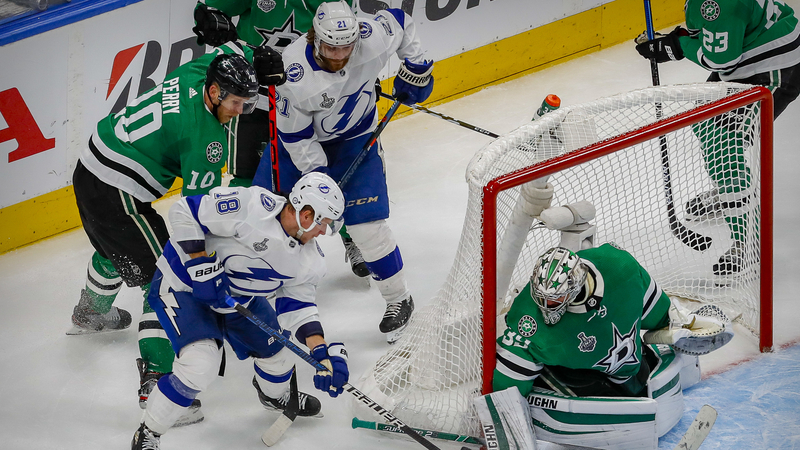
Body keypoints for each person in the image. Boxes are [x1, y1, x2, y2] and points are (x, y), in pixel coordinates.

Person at [70, 46, 284, 423]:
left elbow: (230, 50)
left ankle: (91, 312)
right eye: (237, 103)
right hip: (117, 192)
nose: (240, 112)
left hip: (91, 166)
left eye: (248, 105)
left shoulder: (200, 72)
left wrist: (257, 55)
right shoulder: (207, 142)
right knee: (163, 276)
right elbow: (196, 215)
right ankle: (155, 384)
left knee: (119, 246)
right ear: (216, 93)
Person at [253, 0, 434, 343]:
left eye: (346, 47)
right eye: (331, 47)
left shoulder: (371, 37)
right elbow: (296, 138)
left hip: (356, 141)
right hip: (300, 152)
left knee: (367, 226)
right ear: (314, 38)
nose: (339, 55)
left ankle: (399, 299)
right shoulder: (293, 73)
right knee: (271, 220)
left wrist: (418, 66)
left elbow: (401, 22)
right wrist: (323, 184)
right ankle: (259, 300)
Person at [130, 172, 350, 450]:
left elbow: (300, 306)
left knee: (281, 357)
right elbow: (185, 211)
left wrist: (321, 353)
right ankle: (148, 432)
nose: (323, 232)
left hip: (239, 300)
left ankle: (273, 397)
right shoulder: (250, 205)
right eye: (324, 223)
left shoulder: (310, 261)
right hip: (184, 287)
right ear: (307, 215)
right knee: (200, 365)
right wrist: (200, 267)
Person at [190, 0, 369, 279]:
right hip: (253, 99)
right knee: (247, 178)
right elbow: (209, 7)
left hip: (310, 103)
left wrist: (362, 78)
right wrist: (209, 19)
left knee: (325, 173)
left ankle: (350, 235)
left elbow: (355, 42)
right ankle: (238, 248)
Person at [634, 0, 800, 275]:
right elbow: (721, 31)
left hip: (771, 70)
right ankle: (731, 190)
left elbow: (721, 59)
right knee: (704, 120)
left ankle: (748, 240)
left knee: (722, 145)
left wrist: (675, 47)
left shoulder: (716, 3)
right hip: (756, 52)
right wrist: (680, 39)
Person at [492, 245, 732, 398]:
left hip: (632, 370)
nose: (545, 308)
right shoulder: (527, 322)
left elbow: (657, 312)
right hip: (584, 380)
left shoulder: (619, 268)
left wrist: (677, 324)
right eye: (541, 298)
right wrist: (504, 412)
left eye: (554, 301)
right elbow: (508, 390)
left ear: (575, 287)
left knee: (635, 381)